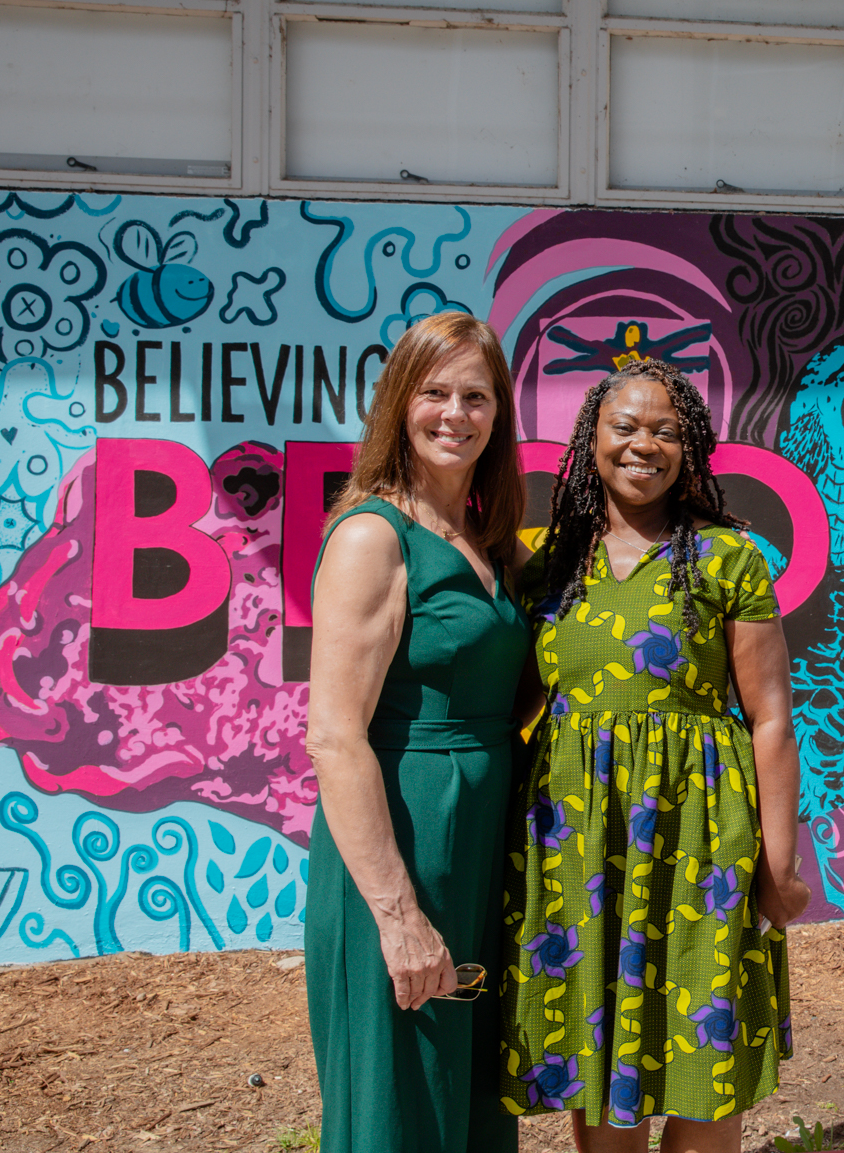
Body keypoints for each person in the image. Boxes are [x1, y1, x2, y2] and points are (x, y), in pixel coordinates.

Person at [499, 358, 808, 1153]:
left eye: (666, 431)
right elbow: (517, 710)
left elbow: (770, 720)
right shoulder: (553, 566)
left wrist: (779, 867)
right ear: (590, 440)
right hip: (581, 844)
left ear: (691, 447)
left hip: (702, 839)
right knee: (599, 1053)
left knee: (706, 1055)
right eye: (625, 427)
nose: (645, 445)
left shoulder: (726, 558)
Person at [304, 311, 534, 1153]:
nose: (455, 413)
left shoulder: (483, 540)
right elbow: (334, 736)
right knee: (398, 1102)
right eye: (434, 392)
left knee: (465, 1100)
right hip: (405, 844)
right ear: (399, 403)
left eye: (476, 396)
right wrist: (398, 915)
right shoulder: (374, 536)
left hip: (475, 848)